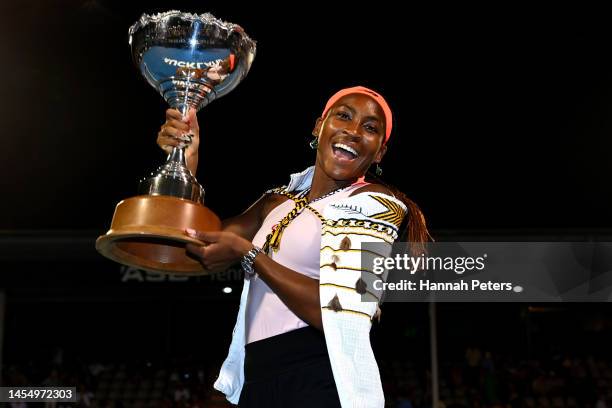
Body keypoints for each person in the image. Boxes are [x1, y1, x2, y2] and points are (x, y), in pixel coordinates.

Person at [156, 86, 430, 407]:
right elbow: (194, 246)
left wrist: (250, 253)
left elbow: (337, 309)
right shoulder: (278, 200)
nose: (354, 132)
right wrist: (185, 163)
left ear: (380, 152)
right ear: (319, 126)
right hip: (257, 379)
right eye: (344, 116)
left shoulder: (375, 206)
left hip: (318, 376)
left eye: (370, 128)